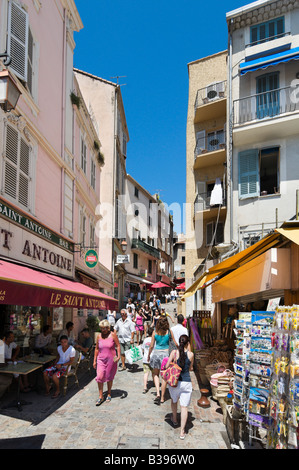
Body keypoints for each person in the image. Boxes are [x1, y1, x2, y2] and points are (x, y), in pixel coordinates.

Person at [165, 334, 194, 440]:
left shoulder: (174, 353)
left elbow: (167, 365)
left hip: (175, 382)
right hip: (186, 383)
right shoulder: (191, 354)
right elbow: (190, 368)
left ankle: (175, 419)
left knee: (174, 400)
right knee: (184, 407)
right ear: (188, 343)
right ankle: (182, 432)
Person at [147, 316, 176, 405]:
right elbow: (174, 343)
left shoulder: (155, 332)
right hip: (166, 355)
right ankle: (163, 397)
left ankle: (158, 393)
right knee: (164, 377)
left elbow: (151, 346)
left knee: (155, 374)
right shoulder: (169, 332)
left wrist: (148, 355)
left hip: (156, 354)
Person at [93, 320, 120, 406]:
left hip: (111, 359)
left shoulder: (113, 335)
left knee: (109, 376)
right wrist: (94, 360)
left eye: (104, 328)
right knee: (100, 376)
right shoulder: (99, 336)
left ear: (108, 328)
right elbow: (96, 349)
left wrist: (118, 356)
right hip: (100, 359)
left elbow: (118, 345)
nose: (102, 330)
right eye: (101, 328)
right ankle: (101, 396)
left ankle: (109, 393)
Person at [141, 327, 153, 394]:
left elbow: (143, 348)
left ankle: (145, 387)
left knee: (146, 373)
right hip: (152, 358)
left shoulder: (145, 340)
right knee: (154, 373)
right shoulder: (154, 340)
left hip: (145, 359)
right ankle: (155, 382)